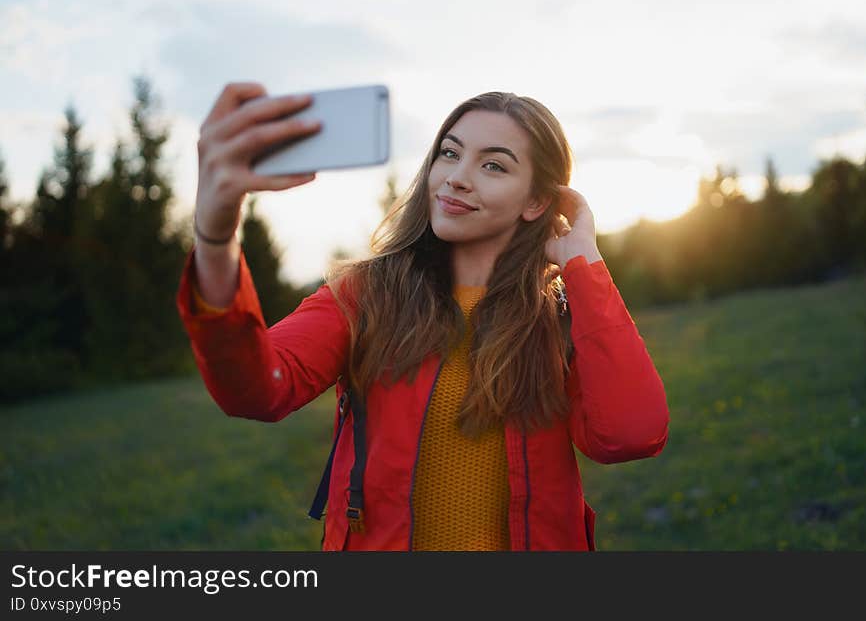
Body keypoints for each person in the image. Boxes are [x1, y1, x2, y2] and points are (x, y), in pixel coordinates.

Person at [176, 82, 670, 551]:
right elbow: (258, 388)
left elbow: (630, 434)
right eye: (449, 153)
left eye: (493, 166)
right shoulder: (364, 295)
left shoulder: (559, 316)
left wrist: (583, 261)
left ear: (537, 200)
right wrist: (216, 237)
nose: (456, 176)